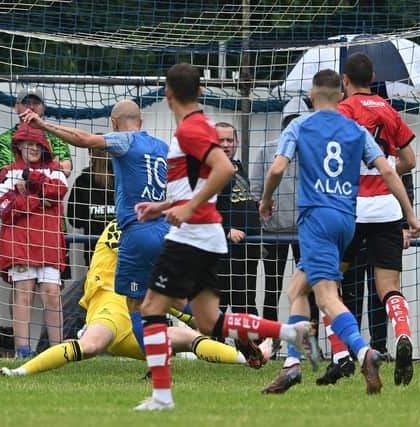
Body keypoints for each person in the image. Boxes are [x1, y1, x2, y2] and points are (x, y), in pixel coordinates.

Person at [134, 62, 316, 411]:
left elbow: (225, 169)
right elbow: (201, 181)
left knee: (152, 308)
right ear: (200, 91)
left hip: (192, 234)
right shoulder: (194, 128)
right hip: (203, 233)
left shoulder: (191, 130)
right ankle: (289, 332)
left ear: (167, 93)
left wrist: (187, 211)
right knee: (209, 321)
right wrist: (164, 206)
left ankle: (161, 396)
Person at [260, 69, 420, 395]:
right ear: (340, 94)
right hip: (347, 221)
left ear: (311, 95)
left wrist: (265, 200)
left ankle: (363, 353)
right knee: (297, 290)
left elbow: (278, 167)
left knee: (326, 296)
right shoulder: (355, 129)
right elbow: (391, 170)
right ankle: (292, 363)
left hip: (317, 219)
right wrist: (410, 214)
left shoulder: (300, 125)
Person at [20, 99, 170, 362]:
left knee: (134, 303)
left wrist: (44, 125)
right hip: (164, 229)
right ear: (142, 122)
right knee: (173, 301)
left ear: (114, 124)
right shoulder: (162, 147)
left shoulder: (126, 140)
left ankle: (156, 364)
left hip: (137, 234)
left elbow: (85, 140)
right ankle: (229, 331)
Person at [0, 220, 246, 377]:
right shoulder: (130, 229)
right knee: (90, 346)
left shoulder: (152, 229)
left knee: (191, 338)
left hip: (133, 320)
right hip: (112, 303)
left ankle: (246, 359)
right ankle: (20, 370)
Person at [334, 52, 418, 386]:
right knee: (389, 287)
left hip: (351, 209)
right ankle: (402, 333)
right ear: (373, 78)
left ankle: (342, 354)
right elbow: (409, 159)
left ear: (345, 80)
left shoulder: (342, 112)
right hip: (387, 209)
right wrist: (383, 172)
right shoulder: (388, 109)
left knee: (330, 282)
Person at [0, 124, 68, 358]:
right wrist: (36, 200)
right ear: (19, 146)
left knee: (51, 294)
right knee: (23, 294)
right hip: (20, 244)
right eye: (29, 145)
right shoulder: (6, 172)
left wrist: (30, 182)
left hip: (49, 244)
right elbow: (3, 207)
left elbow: (58, 192)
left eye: (38, 145)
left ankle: (58, 351)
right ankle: (22, 351)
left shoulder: (55, 170)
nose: (34, 149)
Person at [250, 97, 306, 322]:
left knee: (307, 288)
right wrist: (264, 209)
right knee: (272, 287)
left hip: (305, 231)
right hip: (275, 231)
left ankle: (308, 341)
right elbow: (255, 187)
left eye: (299, 120)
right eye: (291, 120)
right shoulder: (268, 149)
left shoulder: (312, 151)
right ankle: (270, 338)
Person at [215, 122, 261, 316]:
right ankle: (214, 345)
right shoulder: (210, 170)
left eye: (229, 140)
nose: (226, 144)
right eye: (221, 140)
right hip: (223, 253)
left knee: (245, 304)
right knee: (219, 303)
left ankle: (250, 346)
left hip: (247, 250)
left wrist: (259, 208)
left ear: (236, 142)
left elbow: (238, 200)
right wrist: (226, 230)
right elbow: (202, 209)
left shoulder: (238, 167)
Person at [0, 86, 73, 177]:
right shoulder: (4, 139)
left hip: (49, 189)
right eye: (26, 103)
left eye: (36, 103)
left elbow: (66, 169)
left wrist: (25, 173)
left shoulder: (56, 136)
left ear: (43, 108)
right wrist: (52, 166)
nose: (31, 107)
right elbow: (5, 174)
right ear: (16, 107)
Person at [67, 147, 116, 266]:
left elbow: (75, 219)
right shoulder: (123, 178)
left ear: (90, 153)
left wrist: (91, 218)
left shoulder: (83, 181)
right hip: (119, 245)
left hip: (94, 248)